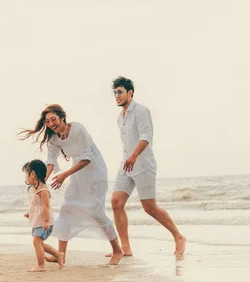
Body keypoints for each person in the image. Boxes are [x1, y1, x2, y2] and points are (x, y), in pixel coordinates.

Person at [20, 104, 124, 265]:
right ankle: (60, 254)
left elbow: (87, 158)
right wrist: (41, 183)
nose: (51, 124)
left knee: (96, 211)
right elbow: (51, 162)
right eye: (47, 121)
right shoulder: (54, 139)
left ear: (62, 117)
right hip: (78, 173)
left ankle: (117, 250)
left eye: (53, 119)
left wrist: (65, 175)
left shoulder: (77, 130)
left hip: (95, 171)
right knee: (66, 209)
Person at [108, 76, 186, 257]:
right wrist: (128, 158)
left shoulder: (141, 111)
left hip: (143, 164)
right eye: (115, 93)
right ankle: (125, 248)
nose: (117, 96)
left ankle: (178, 236)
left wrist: (134, 156)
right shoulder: (120, 118)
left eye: (120, 92)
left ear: (130, 93)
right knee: (116, 203)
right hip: (126, 165)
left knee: (149, 208)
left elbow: (146, 136)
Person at [22, 159, 64, 272]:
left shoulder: (43, 190)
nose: (25, 177)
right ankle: (58, 255)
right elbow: (35, 204)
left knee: (36, 242)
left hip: (44, 222)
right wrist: (29, 213)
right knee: (39, 244)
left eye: (26, 174)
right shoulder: (34, 189)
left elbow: (46, 206)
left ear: (33, 174)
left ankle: (41, 266)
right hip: (37, 221)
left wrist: (46, 222)